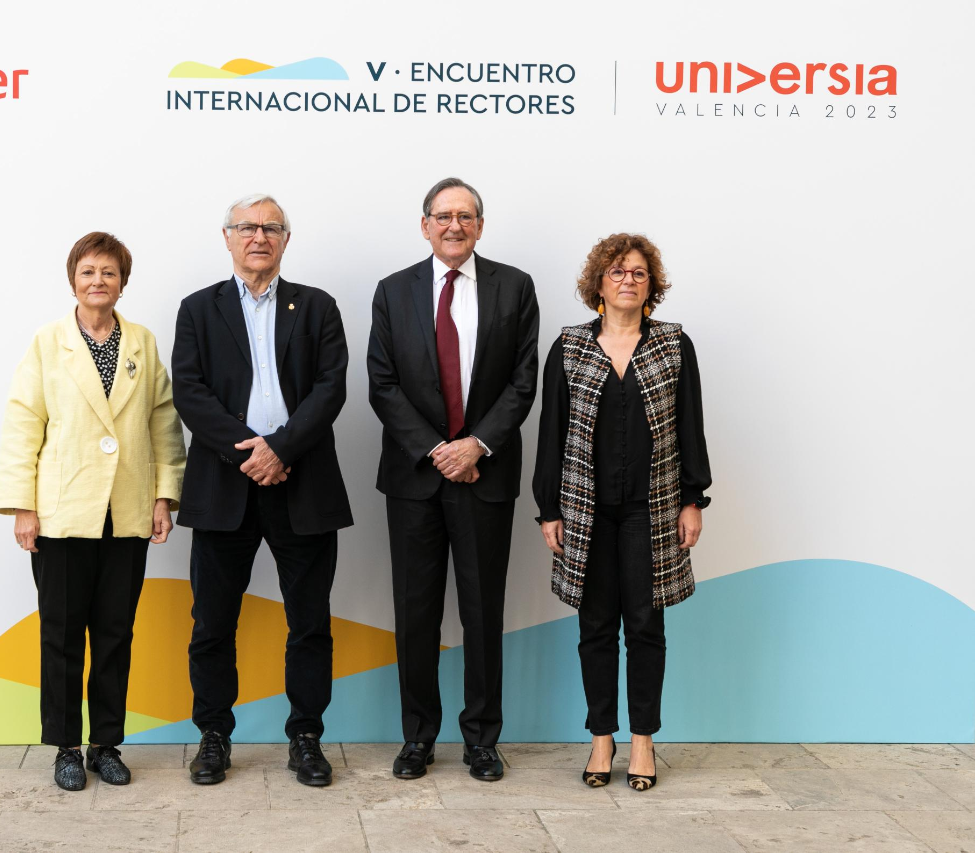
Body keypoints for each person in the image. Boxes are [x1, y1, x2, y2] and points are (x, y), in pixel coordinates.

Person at [171, 194, 352, 787]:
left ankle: (305, 736)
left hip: (302, 483)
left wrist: (282, 449)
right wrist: (249, 451)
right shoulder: (198, 309)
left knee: (309, 623)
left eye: (271, 227)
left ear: (285, 240)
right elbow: (191, 393)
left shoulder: (318, 306)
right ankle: (214, 736)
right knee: (212, 624)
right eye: (247, 227)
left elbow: (331, 388)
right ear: (226, 237)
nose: (259, 236)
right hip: (226, 485)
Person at [0, 231, 186, 791]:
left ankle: (106, 744)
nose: (98, 281)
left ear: (123, 282)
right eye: (88, 271)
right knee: (60, 636)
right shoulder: (47, 342)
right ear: (72, 279)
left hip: (124, 512)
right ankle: (65, 747)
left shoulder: (142, 343)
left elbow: (163, 423)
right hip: (62, 512)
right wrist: (23, 507)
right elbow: (23, 422)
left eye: (109, 272)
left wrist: (163, 496)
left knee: (114, 634)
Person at [367, 177, 539, 782]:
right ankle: (418, 738)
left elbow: (523, 382)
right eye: (443, 216)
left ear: (480, 227)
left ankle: (482, 739)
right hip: (416, 478)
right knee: (416, 614)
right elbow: (381, 384)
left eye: (466, 216)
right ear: (425, 225)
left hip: (484, 476)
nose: (454, 226)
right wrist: (438, 450)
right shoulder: (393, 291)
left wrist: (476, 446)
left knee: (482, 611)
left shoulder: (514, 287)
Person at [532, 233, 711, 792]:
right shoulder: (568, 347)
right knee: (594, 628)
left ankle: (642, 742)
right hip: (585, 511)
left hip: (652, 510)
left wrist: (692, 499)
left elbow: (691, 427)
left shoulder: (674, 345)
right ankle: (601, 740)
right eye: (617, 272)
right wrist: (548, 509)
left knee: (646, 625)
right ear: (598, 284)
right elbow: (551, 435)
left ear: (650, 283)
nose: (628, 279)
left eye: (638, 272)